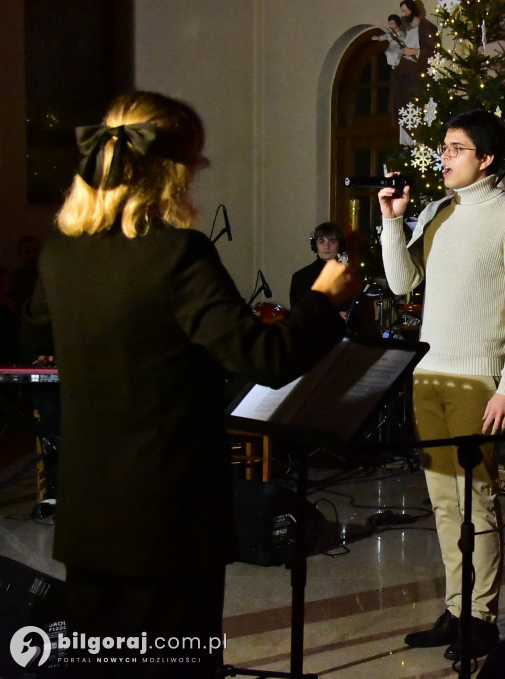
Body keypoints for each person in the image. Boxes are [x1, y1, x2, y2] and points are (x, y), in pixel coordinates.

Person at [25, 91, 359, 678]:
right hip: (166, 520)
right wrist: (322, 300)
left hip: (88, 519)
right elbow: (266, 356)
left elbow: (43, 335)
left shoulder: (59, 255)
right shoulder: (178, 254)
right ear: (172, 171)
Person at [377, 108, 505, 661]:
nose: (444, 158)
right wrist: (393, 220)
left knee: (476, 499)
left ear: (486, 158)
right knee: (444, 503)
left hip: (478, 379)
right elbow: (403, 283)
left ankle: (482, 617)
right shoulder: (437, 211)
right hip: (429, 374)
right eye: (444, 148)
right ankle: (456, 608)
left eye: (456, 149)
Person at [390, 0, 438, 144]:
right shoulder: (404, 28)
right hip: (404, 74)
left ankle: (420, 141)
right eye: (402, 11)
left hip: (419, 74)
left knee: (418, 109)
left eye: (405, 11)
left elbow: (433, 50)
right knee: (404, 109)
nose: (403, 14)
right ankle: (408, 143)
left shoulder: (426, 27)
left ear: (413, 9)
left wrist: (415, 52)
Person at [290, 222, 347, 307]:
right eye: (321, 241)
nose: (326, 247)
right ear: (315, 245)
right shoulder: (301, 277)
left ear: (340, 245)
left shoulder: (348, 276)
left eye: (332, 241)